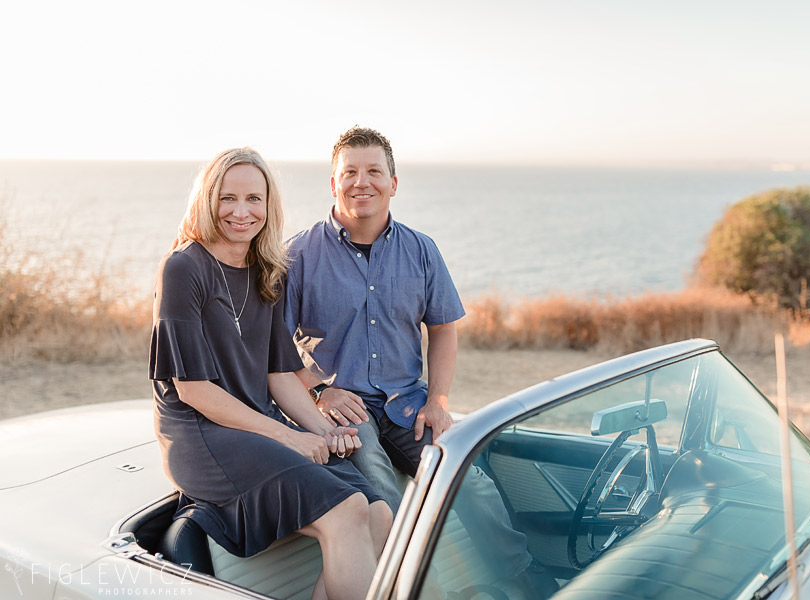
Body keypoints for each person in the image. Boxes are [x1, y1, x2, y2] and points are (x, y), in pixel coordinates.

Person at [283, 127, 558, 598]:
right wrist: (317, 391)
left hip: (407, 403)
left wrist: (438, 399)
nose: (361, 182)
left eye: (373, 171)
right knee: (384, 499)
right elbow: (275, 347)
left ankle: (526, 584)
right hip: (343, 410)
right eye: (349, 172)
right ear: (333, 183)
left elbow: (443, 329)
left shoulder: (421, 250)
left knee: (472, 483)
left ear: (394, 182)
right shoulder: (298, 254)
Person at [150, 147, 392, 600]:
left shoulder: (268, 272)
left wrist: (323, 428)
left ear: (268, 204)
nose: (241, 212)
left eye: (254, 199)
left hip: (257, 426)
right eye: (227, 198)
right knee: (346, 511)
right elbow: (194, 390)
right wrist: (292, 437)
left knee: (378, 514)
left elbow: (280, 374)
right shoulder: (184, 267)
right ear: (207, 200)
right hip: (203, 435)